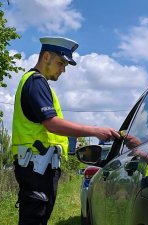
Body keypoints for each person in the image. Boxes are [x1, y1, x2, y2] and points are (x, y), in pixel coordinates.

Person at [11, 36, 120, 225]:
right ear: (46, 56)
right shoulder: (36, 82)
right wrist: (94, 131)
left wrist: (69, 143)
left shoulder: (37, 83)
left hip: (38, 165)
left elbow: (44, 128)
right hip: (36, 166)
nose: (63, 70)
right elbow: (51, 123)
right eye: (60, 63)